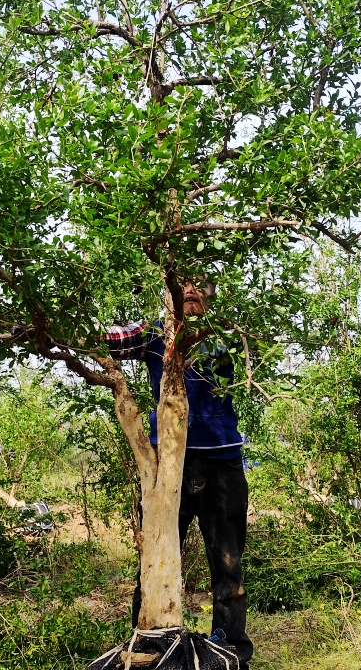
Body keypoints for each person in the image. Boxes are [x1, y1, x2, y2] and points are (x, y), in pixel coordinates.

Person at [104, 280, 253, 669]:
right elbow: (109, 340)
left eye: (201, 284)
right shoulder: (155, 333)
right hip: (170, 465)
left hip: (222, 464)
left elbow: (262, 350)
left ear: (214, 294)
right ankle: (149, 646)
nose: (191, 290)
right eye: (182, 283)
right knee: (152, 560)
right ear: (169, 290)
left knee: (228, 566)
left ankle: (229, 652)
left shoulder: (229, 336)